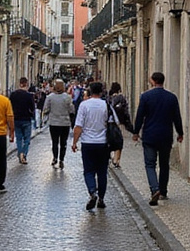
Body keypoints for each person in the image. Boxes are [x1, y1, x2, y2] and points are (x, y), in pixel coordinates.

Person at [132, 70, 184, 206]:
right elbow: (176, 117)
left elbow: (140, 116)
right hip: (166, 136)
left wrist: (136, 132)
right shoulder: (172, 97)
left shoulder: (146, 96)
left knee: (150, 164)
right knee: (164, 165)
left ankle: (154, 188)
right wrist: (180, 133)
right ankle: (163, 191)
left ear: (153, 81)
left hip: (149, 136)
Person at [71, 81, 112, 210]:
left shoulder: (84, 105)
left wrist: (74, 142)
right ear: (101, 92)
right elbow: (111, 122)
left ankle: (92, 192)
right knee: (102, 172)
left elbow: (78, 126)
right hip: (102, 143)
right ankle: (101, 199)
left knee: (88, 171)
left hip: (87, 143)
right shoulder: (106, 105)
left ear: (89, 91)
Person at [41, 79, 74, 169]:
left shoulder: (50, 97)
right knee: (63, 143)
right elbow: (72, 110)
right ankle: (61, 160)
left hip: (54, 123)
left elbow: (46, 109)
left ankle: (55, 157)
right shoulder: (67, 97)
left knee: (55, 142)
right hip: (65, 123)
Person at [9, 76, 36, 164]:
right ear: (26, 84)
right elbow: (32, 108)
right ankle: (24, 154)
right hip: (26, 119)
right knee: (27, 139)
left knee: (19, 138)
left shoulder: (13, 94)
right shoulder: (29, 95)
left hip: (16, 119)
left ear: (19, 84)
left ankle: (20, 152)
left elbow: (10, 106)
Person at [107, 82, 132, 168]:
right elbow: (125, 112)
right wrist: (129, 125)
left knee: (109, 140)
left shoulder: (107, 98)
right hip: (118, 123)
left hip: (107, 123)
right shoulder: (121, 98)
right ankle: (116, 160)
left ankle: (109, 157)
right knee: (119, 141)